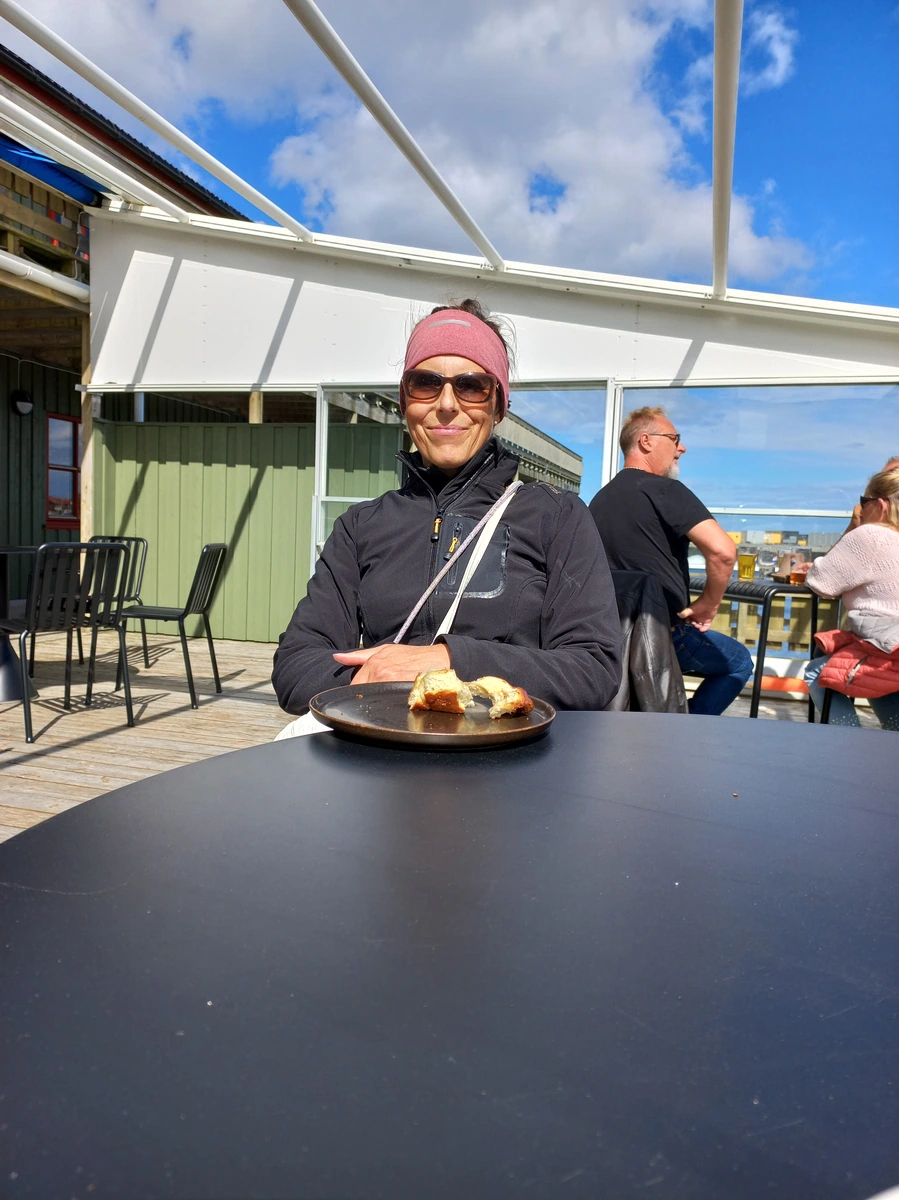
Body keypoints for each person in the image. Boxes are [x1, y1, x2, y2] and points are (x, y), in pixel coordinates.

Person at [272, 299, 622, 714]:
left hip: (510, 753)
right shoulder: (360, 526)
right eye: (426, 383)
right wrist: (371, 682)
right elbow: (295, 667)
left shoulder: (557, 516)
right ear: (404, 401)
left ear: (499, 405)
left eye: (472, 386)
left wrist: (448, 660)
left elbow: (593, 668)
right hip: (382, 750)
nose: (447, 404)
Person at [588, 406, 752, 716]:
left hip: (610, 637)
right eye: (675, 439)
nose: (682, 448)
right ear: (646, 441)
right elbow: (723, 552)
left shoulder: (600, 499)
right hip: (661, 636)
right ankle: (685, 730)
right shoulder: (663, 489)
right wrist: (709, 604)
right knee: (739, 661)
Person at [803, 466, 899, 731]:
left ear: (881, 504)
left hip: (884, 641)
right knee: (875, 674)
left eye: (863, 501)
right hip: (889, 647)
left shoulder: (871, 535)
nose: (859, 509)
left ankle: (848, 739)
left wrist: (855, 528)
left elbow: (821, 583)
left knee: (818, 671)